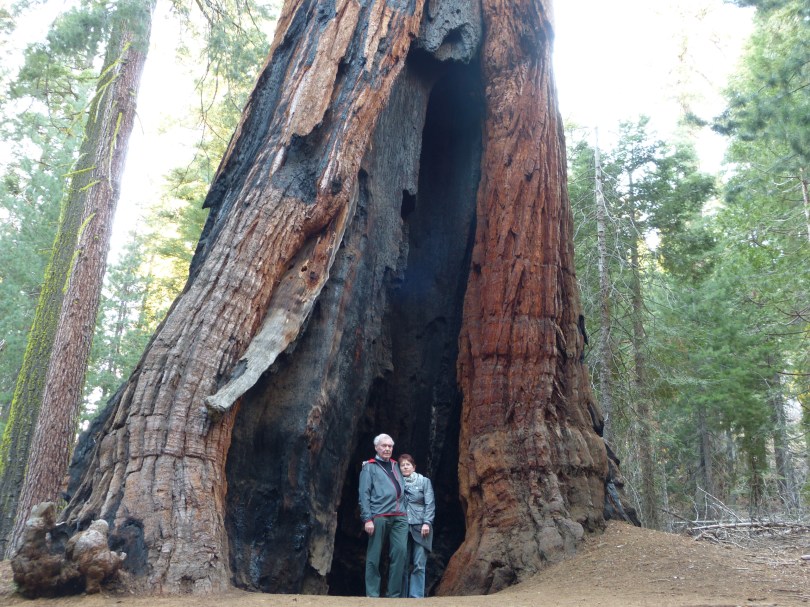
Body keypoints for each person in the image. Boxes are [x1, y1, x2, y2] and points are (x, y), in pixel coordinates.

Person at [358, 433, 408, 597]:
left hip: (400, 516)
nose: (387, 449)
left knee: (400, 553)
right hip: (379, 516)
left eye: (390, 446)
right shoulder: (369, 467)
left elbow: (411, 478)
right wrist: (367, 519)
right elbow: (364, 495)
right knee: (374, 556)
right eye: (384, 446)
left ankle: (393, 595)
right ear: (376, 447)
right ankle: (373, 595)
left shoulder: (396, 465)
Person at [398, 454, 434, 598]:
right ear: (399, 468)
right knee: (402, 564)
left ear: (414, 467)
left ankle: (416, 598)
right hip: (402, 526)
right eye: (402, 465)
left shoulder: (424, 482)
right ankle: (401, 597)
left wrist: (427, 522)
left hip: (421, 527)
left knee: (419, 563)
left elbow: (430, 504)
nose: (405, 467)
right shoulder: (396, 483)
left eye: (408, 464)